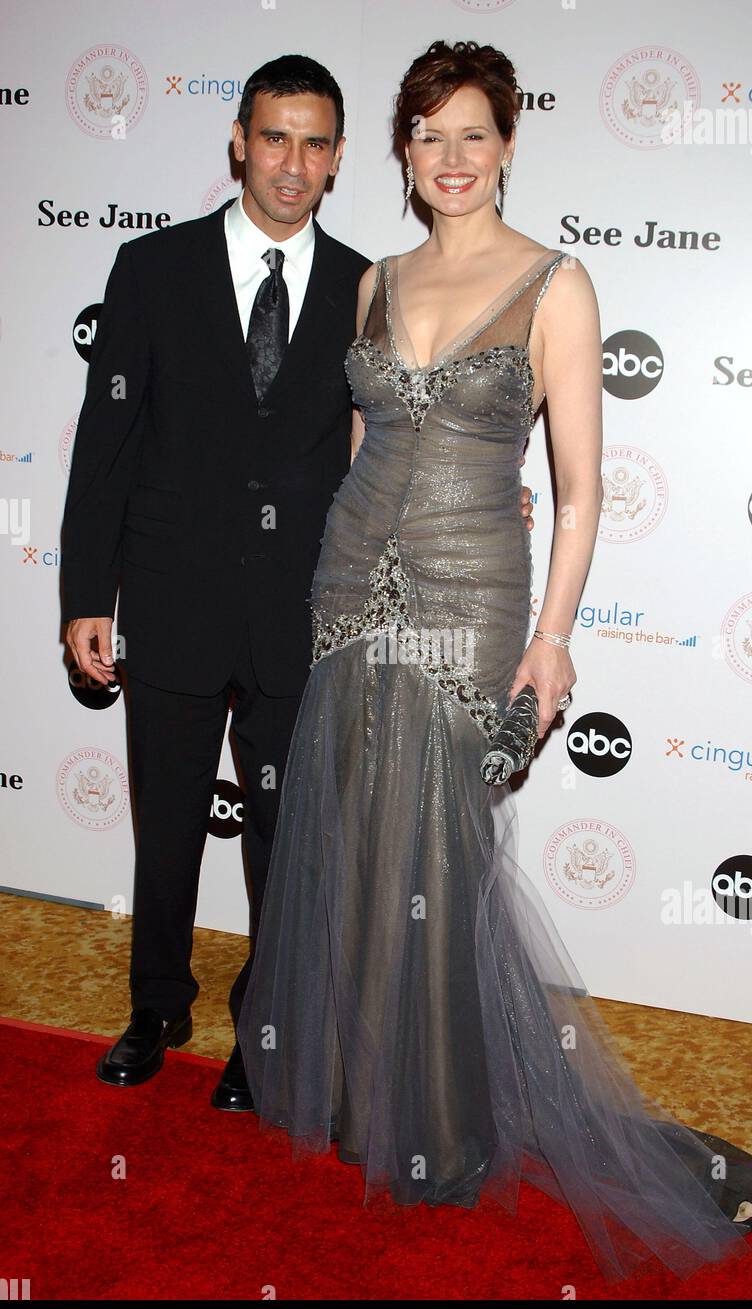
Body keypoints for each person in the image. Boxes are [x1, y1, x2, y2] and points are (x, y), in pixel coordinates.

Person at [236, 40, 752, 1284]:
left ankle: (439, 1120)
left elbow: (581, 489)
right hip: (349, 585)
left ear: (507, 144)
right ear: (402, 150)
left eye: (473, 134)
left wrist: (550, 639)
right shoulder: (374, 279)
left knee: (440, 855)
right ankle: (367, 1088)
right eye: (428, 135)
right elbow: (361, 436)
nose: (450, 158)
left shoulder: (556, 282)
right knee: (359, 845)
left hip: (471, 593)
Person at [60, 48, 535, 1108]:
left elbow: (393, 437)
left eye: (316, 143)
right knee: (169, 816)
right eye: (274, 137)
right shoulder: (152, 270)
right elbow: (108, 442)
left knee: (287, 833)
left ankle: (263, 1030)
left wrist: (491, 486)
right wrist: (88, 595)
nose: (291, 161)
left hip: (306, 608)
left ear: (336, 162)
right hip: (172, 598)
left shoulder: (368, 288)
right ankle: (156, 1006)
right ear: (239, 142)